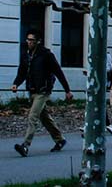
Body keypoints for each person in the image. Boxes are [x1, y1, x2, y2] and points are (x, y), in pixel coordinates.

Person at [11, 29, 73, 157]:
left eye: (32, 40)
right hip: (32, 90)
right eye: (27, 39)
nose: (29, 42)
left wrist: (67, 90)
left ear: (38, 41)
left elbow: (58, 72)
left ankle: (25, 146)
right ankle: (60, 139)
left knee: (32, 116)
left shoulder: (46, 55)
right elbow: (22, 72)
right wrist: (16, 83)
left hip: (43, 91)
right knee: (44, 118)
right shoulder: (26, 55)